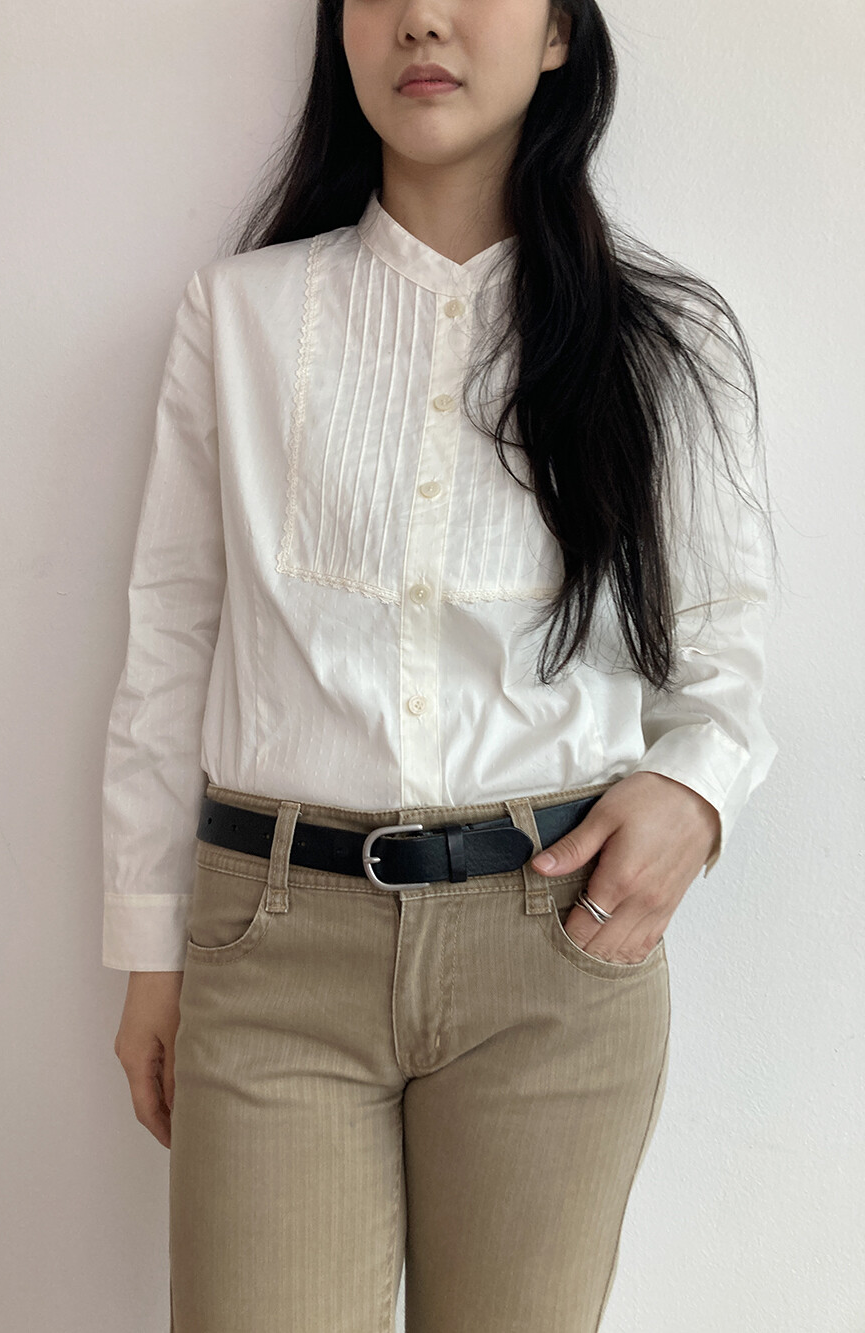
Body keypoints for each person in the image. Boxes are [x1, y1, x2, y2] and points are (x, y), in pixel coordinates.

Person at [103, 1, 779, 1328]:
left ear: (559, 34)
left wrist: (694, 797)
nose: (421, 17)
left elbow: (726, 646)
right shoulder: (240, 317)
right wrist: (148, 948)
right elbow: (174, 633)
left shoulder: (662, 339)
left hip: (554, 946)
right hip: (273, 943)